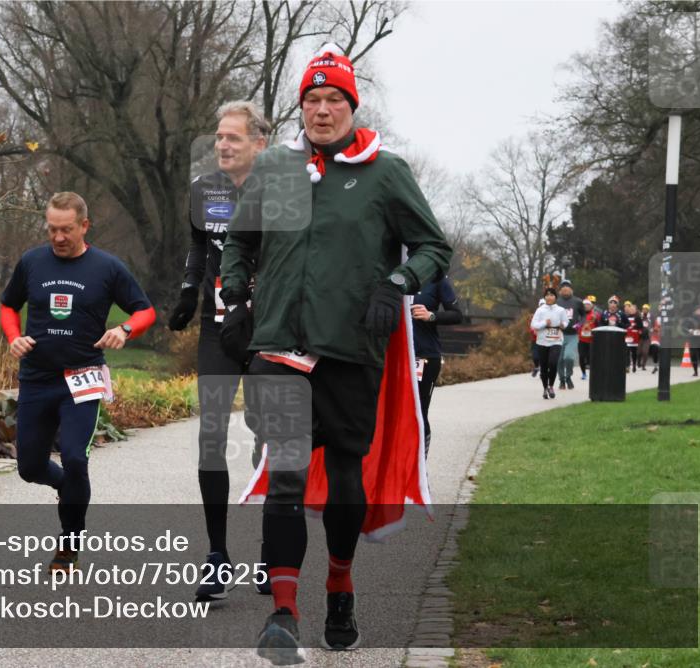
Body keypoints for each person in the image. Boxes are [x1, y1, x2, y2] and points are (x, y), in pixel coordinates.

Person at [220, 44, 451, 660]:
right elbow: (240, 243)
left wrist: (397, 283)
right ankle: (284, 614)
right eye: (312, 100)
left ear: (352, 105)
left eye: (334, 100)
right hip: (280, 347)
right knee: (288, 475)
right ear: (301, 106)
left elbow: (432, 247)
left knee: (346, 475)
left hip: (351, 348)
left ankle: (342, 583)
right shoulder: (273, 168)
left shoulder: (385, 172)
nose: (322, 111)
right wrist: (237, 297)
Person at [0, 192, 156, 572]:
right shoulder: (32, 262)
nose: (58, 237)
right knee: (30, 467)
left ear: (84, 226)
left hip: (82, 378)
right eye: (52, 229)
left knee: (74, 457)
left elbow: (146, 310)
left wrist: (124, 329)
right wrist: (13, 337)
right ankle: (65, 489)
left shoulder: (107, 267)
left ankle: (69, 544)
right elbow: (8, 306)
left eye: (66, 229)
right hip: (37, 378)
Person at [167, 100, 272, 601]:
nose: (223, 145)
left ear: (260, 143)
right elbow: (197, 245)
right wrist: (190, 289)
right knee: (211, 433)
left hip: (267, 328)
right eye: (219, 137)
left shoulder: (281, 194)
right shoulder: (203, 190)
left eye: (233, 137)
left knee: (267, 433)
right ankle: (217, 556)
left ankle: (274, 552)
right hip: (216, 326)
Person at [412, 277, 462, 457]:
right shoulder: (391, 270)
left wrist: (431, 315)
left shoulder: (436, 278)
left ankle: (420, 468)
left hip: (423, 355)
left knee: (418, 410)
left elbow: (457, 314)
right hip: (391, 356)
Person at [531, 287, 567, 399]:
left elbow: (566, 322)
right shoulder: (540, 310)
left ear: (555, 297)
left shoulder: (561, 310)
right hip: (542, 341)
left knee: (553, 363)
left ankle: (551, 385)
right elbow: (534, 325)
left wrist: (563, 325)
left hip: (556, 340)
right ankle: (545, 388)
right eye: (547, 295)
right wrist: (544, 323)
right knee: (544, 366)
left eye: (552, 295)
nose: (549, 297)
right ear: (544, 297)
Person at [555, 279, 584, 390]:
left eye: (567, 287)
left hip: (572, 335)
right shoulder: (557, 302)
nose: (565, 289)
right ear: (560, 290)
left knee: (568, 357)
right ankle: (562, 380)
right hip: (559, 334)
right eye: (563, 287)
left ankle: (568, 377)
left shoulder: (577, 301)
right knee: (559, 359)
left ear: (571, 289)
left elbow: (583, 316)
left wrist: (579, 325)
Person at [577, 297, 597, 381]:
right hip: (581, 339)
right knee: (581, 356)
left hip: (592, 340)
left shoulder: (595, 315)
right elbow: (575, 325)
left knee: (591, 357)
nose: (586, 306)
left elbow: (599, 325)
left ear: (591, 306)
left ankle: (593, 373)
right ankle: (584, 373)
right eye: (584, 305)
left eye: (588, 305)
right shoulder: (579, 315)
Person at [623, 301, 642, 373]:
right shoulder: (626, 317)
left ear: (635, 310)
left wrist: (634, 326)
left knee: (634, 352)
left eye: (633, 309)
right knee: (626, 351)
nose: (631, 311)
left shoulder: (637, 318)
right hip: (627, 335)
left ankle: (634, 364)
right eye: (630, 309)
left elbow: (641, 326)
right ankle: (627, 366)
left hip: (635, 336)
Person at [637, 304, 652, 370]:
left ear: (648, 310)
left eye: (646, 309)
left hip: (647, 338)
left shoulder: (651, 317)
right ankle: (638, 362)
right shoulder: (640, 316)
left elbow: (655, 325)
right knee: (638, 352)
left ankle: (643, 365)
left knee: (645, 352)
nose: (645, 310)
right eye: (644, 309)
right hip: (640, 337)